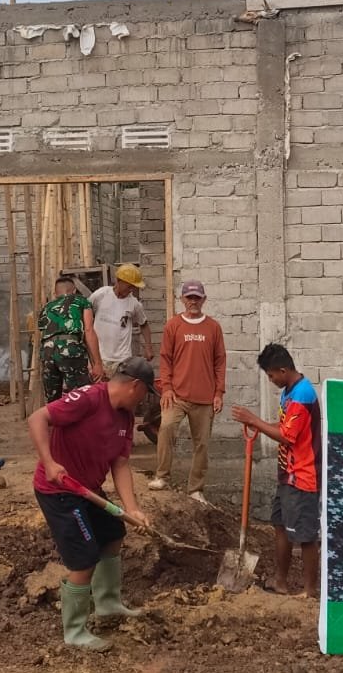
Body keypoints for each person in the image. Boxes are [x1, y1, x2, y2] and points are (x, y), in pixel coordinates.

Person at [29, 360, 156, 651]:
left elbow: (120, 464)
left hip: (88, 490)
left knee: (113, 532)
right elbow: (38, 418)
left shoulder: (125, 418)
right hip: (60, 491)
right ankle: (75, 632)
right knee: (84, 558)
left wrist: (132, 509)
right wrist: (49, 462)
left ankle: (108, 604)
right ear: (135, 386)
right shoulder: (88, 398)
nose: (144, 400)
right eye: (145, 393)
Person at [231, 344, 321, 597]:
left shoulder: (302, 394)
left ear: (283, 370)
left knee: (305, 535)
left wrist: (254, 420)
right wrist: (260, 426)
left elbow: (288, 436)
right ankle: (280, 581)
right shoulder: (289, 392)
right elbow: (283, 425)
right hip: (287, 474)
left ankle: (309, 590)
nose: (271, 381)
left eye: (271, 376)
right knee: (280, 524)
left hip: (303, 475)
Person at [151, 280, 226, 502]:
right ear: (182, 299)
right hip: (176, 395)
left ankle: (195, 489)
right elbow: (165, 358)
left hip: (205, 398)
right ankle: (162, 476)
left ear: (204, 299)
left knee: (202, 444)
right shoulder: (173, 325)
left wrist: (219, 393)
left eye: (197, 297)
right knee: (166, 428)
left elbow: (220, 361)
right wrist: (166, 388)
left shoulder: (213, 327)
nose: (193, 301)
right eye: (189, 297)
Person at [89, 264, 159, 441]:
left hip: (122, 360)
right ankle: (101, 436)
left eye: (133, 287)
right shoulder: (100, 295)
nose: (131, 290)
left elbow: (144, 324)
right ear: (118, 281)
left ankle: (124, 436)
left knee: (126, 400)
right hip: (99, 358)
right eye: (129, 286)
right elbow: (86, 317)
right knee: (100, 398)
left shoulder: (134, 304)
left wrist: (148, 346)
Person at [37, 274, 104, 402]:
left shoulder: (46, 307)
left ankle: (54, 415)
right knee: (79, 395)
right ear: (74, 291)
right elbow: (89, 330)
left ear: (55, 294)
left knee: (53, 400)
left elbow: (43, 331)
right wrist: (97, 363)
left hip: (47, 351)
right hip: (70, 348)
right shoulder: (81, 301)